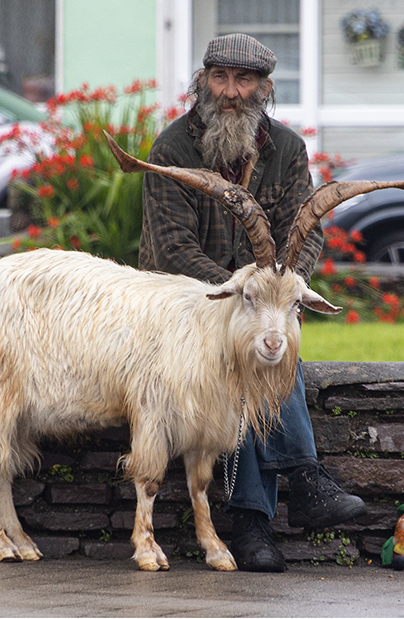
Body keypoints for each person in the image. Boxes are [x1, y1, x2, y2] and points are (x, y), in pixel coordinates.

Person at [139, 34, 366, 573]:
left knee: (267, 344)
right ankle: (295, 486)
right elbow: (172, 248)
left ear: (264, 89)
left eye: (244, 82)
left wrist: (279, 294)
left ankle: (254, 524)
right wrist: (246, 296)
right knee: (250, 349)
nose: (230, 92)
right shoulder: (172, 149)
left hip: (254, 301)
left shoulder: (286, 150)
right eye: (220, 78)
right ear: (202, 82)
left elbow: (304, 233)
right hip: (179, 307)